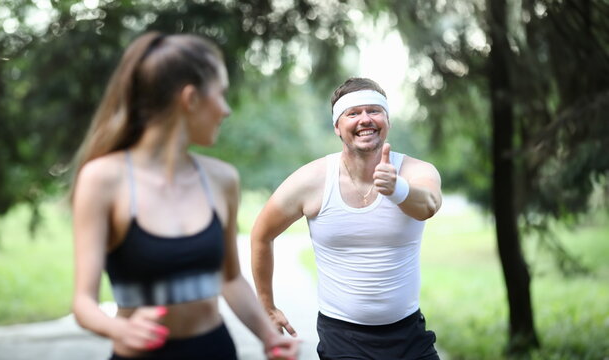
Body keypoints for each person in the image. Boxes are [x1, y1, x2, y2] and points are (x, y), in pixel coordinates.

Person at [70, 32, 298, 360]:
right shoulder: (102, 179)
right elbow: (83, 303)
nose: (226, 110)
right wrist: (119, 329)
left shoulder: (222, 179)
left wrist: (268, 337)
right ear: (190, 99)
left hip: (215, 350)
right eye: (220, 95)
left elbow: (230, 279)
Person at [251, 77, 442, 360]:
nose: (365, 119)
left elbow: (429, 204)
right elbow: (261, 235)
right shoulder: (311, 180)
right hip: (342, 339)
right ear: (337, 126)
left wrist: (397, 189)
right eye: (353, 113)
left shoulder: (415, 172)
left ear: (387, 120)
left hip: (410, 335)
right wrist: (267, 306)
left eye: (374, 111)